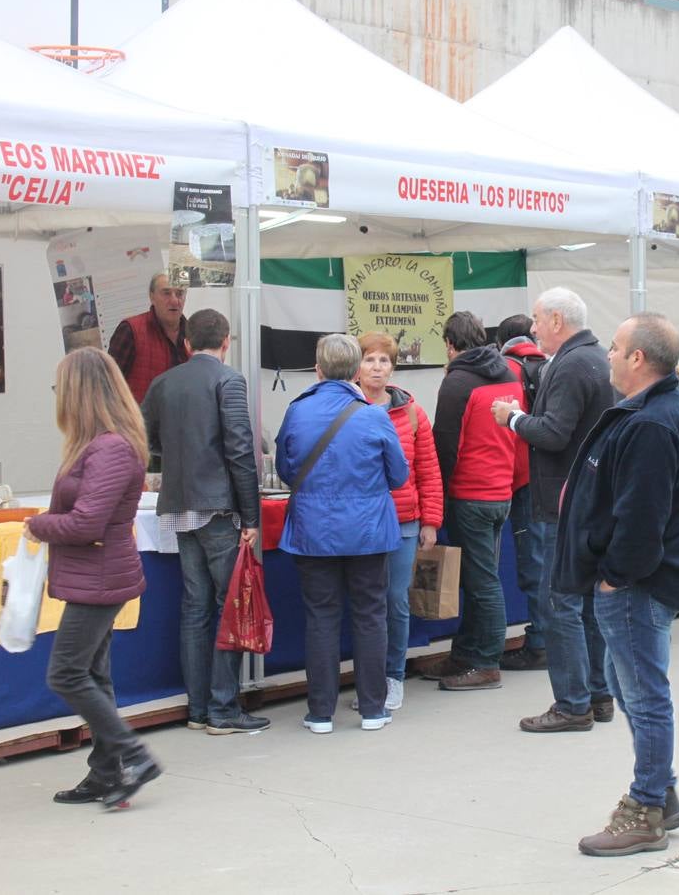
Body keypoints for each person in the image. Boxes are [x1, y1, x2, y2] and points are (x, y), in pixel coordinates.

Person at [553, 312, 679, 857]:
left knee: (644, 693)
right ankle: (664, 792)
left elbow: (643, 518)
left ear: (638, 358)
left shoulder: (652, 424)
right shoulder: (647, 413)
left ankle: (646, 809)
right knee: (630, 685)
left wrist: (616, 577)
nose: (608, 356)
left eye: (615, 348)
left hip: (636, 585)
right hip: (631, 582)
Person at [23, 348, 160, 808]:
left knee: (66, 672)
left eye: (60, 387)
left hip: (100, 577)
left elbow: (85, 524)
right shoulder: (100, 444)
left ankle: (134, 755)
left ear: (79, 391)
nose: (57, 395)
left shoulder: (110, 448)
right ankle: (106, 774)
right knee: (94, 675)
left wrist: (37, 525)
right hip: (95, 574)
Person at [493, 289, 617, 732]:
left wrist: (511, 418)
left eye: (538, 318)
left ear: (558, 321)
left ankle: (572, 704)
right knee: (586, 604)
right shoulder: (598, 358)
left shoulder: (568, 365)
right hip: (589, 497)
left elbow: (553, 434)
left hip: (566, 502)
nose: (532, 327)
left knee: (560, 603)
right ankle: (598, 696)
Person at [142, 309, 267, 735]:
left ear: (188, 343)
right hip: (219, 508)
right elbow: (239, 449)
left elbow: (151, 441)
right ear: (227, 341)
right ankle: (223, 708)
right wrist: (251, 515)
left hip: (178, 506)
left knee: (194, 607)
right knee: (226, 606)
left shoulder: (163, 382)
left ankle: (198, 709)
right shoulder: (228, 380)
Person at [276, 334, 408, 731]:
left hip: (313, 530)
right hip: (368, 531)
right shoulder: (372, 415)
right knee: (370, 615)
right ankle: (373, 709)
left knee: (320, 616)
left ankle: (320, 713)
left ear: (317, 369)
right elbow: (398, 474)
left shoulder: (297, 411)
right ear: (355, 371)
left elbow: (285, 470)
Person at [424, 312, 523, 691]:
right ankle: (465, 653)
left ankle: (486, 663)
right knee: (479, 578)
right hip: (501, 490)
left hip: (470, 493)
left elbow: (445, 445)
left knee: (483, 583)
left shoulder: (458, 382)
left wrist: (435, 495)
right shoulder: (508, 375)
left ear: (450, 344)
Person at [358, 331, 443, 713]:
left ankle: (393, 677)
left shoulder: (411, 412)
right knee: (366, 603)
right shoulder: (349, 407)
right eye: (370, 359)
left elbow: (428, 469)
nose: (377, 367)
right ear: (357, 366)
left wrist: (431, 520)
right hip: (360, 521)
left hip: (405, 520)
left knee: (396, 601)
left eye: (384, 360)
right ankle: (369, 682)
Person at [494, 314, 549, 671]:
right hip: (550, 474)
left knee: (533, 563)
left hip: (521, 477)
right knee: (546, 558)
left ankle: (541, 641)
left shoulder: (507, 370)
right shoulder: (550, 366)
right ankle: (548, 635)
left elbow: (503, 431)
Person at [107, 273, 190, 404]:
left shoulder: (195, 335)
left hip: (184, 422)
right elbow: (107, 387)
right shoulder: (130, 330)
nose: (174, 300)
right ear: (152, 297)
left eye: (179, 293)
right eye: (166, 293)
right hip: (139, 422)